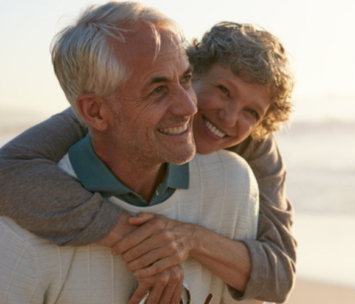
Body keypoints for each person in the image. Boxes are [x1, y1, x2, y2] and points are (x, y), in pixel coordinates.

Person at [0, 2, 294, 304]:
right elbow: (6, 170)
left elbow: (279, 276)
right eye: (223, 90)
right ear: (196, 71)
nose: (230, 118)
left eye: (251, 112)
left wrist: (190, 238)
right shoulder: (96, 114)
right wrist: (134, 238)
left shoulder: (250, 157)